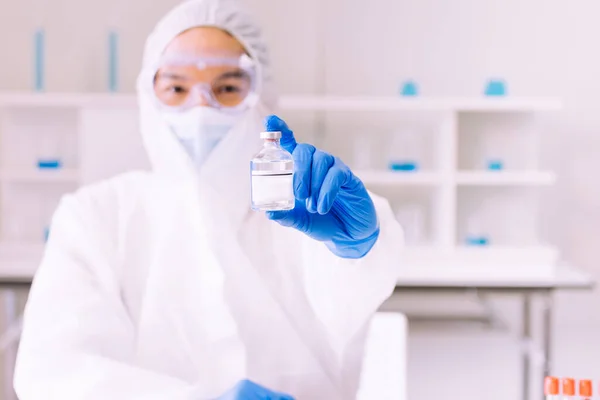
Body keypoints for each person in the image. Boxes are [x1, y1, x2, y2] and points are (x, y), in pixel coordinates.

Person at [13, 0, 404, 399]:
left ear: (262, 95)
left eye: (228, 87)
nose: (201, 108)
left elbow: (350, 303)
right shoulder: (96, 217)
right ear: (148, 96)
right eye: (177, 87)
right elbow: (55, 372)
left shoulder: (302, 209)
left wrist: (356, 250)